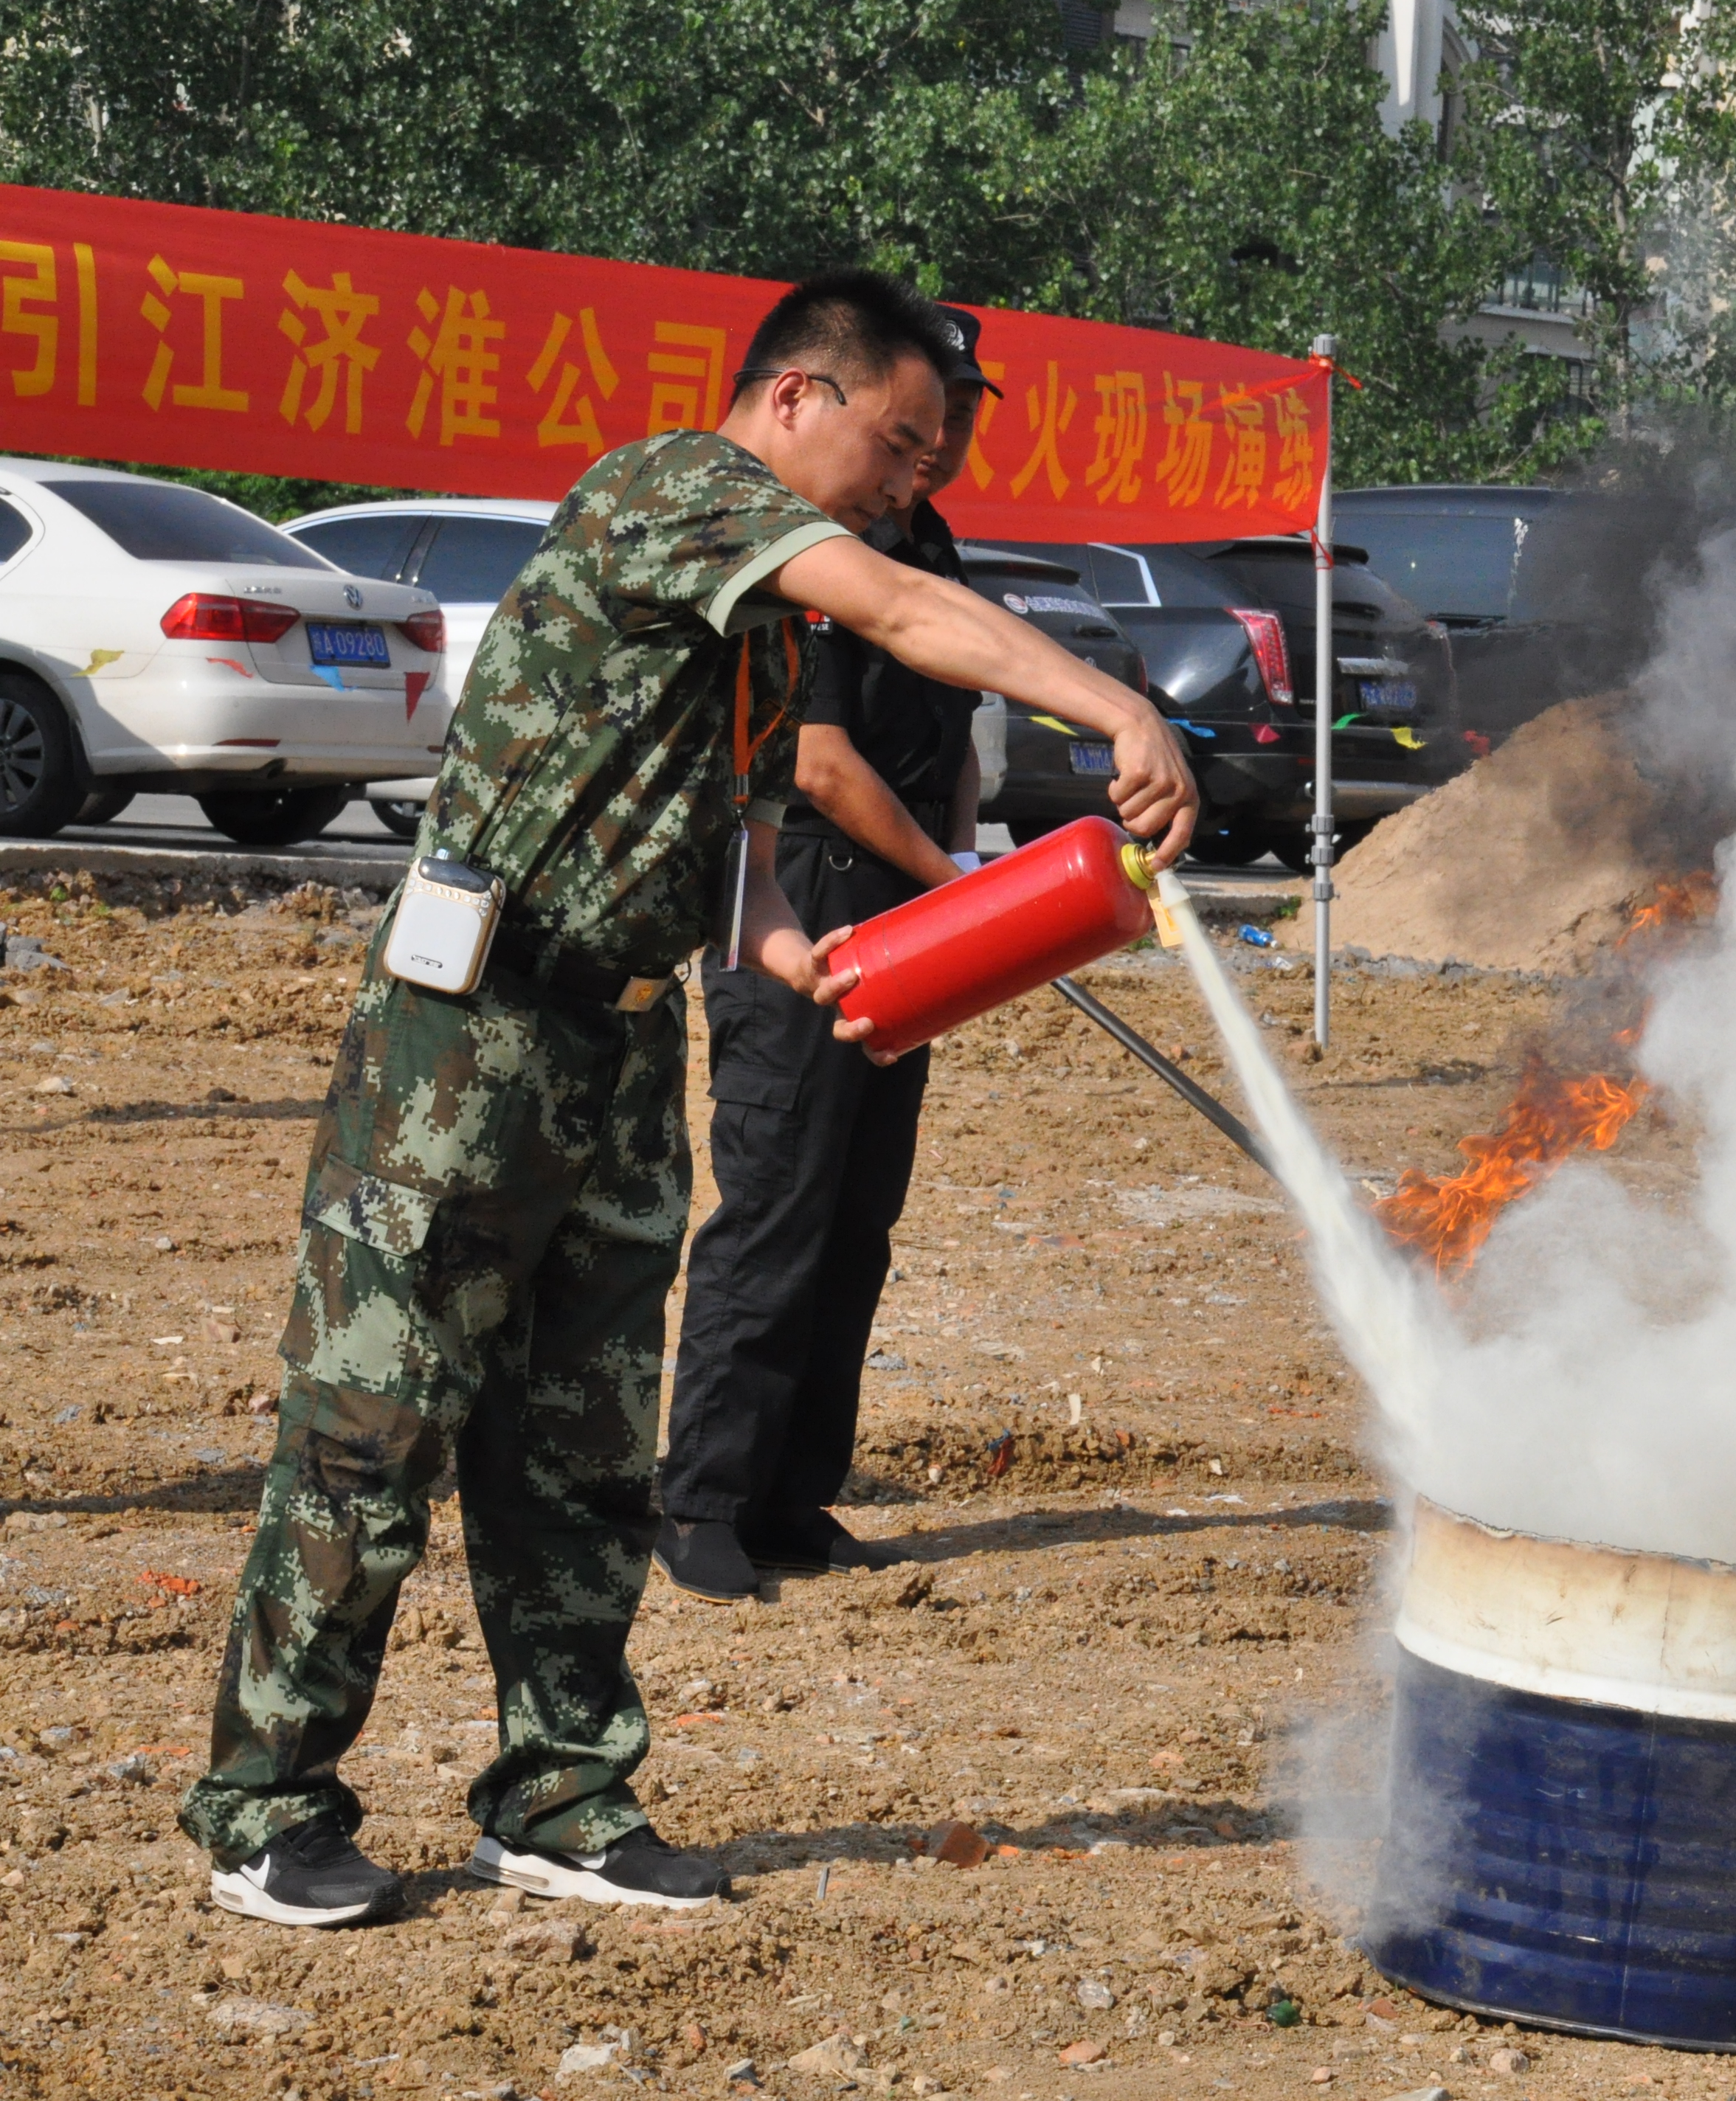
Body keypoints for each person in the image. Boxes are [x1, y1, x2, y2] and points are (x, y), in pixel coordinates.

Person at [180, 270, 1196, 1931]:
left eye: (933, 456)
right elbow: (893, 604)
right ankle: (265, 1804)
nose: (912, 480)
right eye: (900, 440)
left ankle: (562, 1791)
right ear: (797, 394)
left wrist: (789, 952)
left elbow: (735, 812)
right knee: (377, 1423)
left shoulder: (758, 615)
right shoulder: (675, 489)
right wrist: (1114, 703)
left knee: (583, 1445)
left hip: (622, 1040)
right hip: (473, 1033)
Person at [654, 305, 1000, 1601]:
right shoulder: (812, 550)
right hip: (799, 890)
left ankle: (797, 1493)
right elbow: (821, 759)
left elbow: (949, 739)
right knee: (779, 1201)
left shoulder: (932, 546)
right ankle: (702, 1499)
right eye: (919, 421)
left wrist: (961, 875)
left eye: (958, 419)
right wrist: (955, 884)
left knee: (861, 1209)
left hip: (911, 897)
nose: (938, 446)